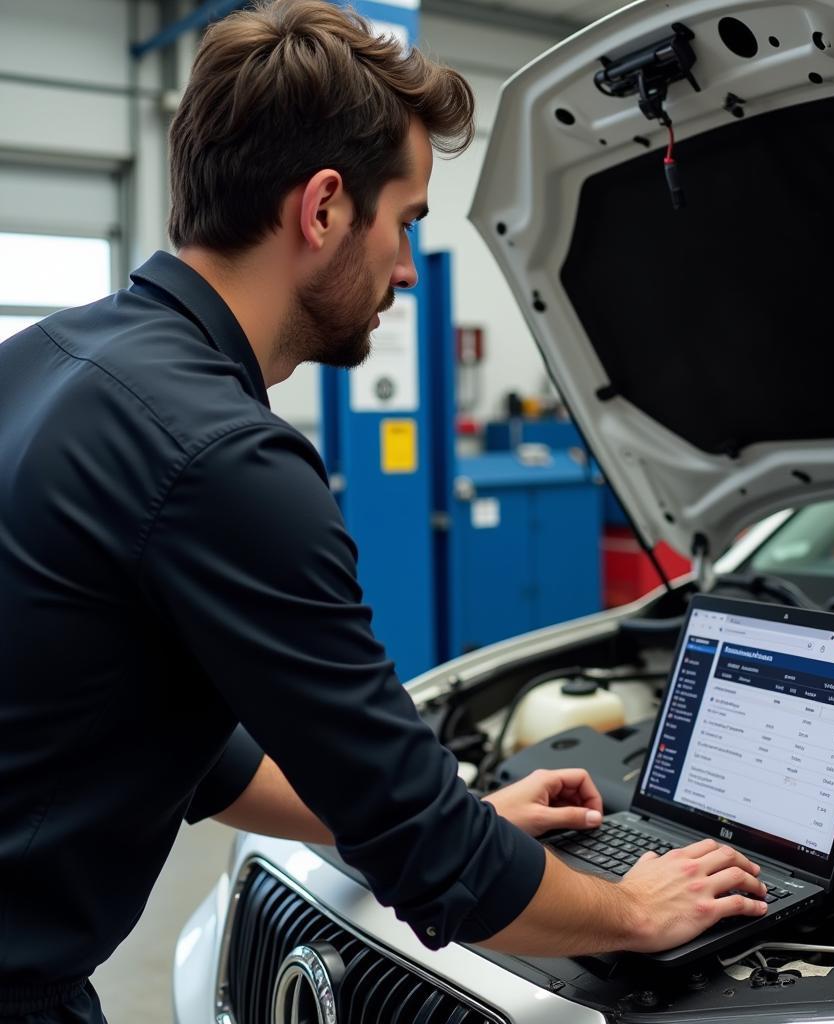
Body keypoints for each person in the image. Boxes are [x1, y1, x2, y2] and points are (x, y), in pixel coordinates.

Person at [0, 2, 768, 1020]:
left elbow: (176, 741)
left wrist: (458, 806)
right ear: (322, 209)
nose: (408, 270)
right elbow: (427, 859)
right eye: (405, 222)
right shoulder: (226, 459)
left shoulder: (46, 360)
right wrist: (630, 908)